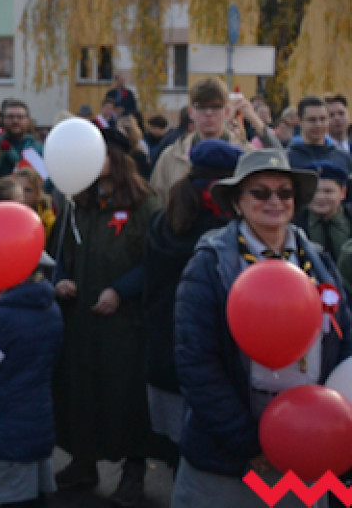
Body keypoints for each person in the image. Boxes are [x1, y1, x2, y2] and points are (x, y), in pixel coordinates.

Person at [172, 149, 352, 507]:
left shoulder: (316, 260)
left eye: (284, 192)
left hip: (303, 450)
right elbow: (196, 362)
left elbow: (345, 338)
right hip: (230, 460)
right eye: (260, 192)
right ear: (238, 203)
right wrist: (249, 441)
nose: (275, 201)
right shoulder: (210, 264)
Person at [52, 127, 160, 507]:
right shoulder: (74, 203)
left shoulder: (145, 204)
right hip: (80, 320)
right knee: (80, 390)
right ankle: (84, 462)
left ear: (115, 157)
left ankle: (133, 470)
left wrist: (121, 290)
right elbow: (56, 256)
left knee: (126, 396)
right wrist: (61, 280)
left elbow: (153, 262)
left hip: (125, 323)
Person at [143, 140, 243, 450]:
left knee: (177, 445)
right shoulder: (223, 233)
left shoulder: (164, 219)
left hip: (164, 345)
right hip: (212, 356)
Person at [0, 261, 63, 508]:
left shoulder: (3, 317)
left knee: (9, 498)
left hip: (4, 428)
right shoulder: (51, 308)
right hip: (37, 419)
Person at [295, 161, 351, 264]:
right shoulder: (294, 223)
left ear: (343, 192)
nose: (320, 197)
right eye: (314, 191)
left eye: (328, 191)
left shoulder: (348, 218)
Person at [287, 96, 352, 174]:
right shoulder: (289, 158)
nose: (318, 125)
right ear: (300, 121)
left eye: (323, 119)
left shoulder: (342, 158)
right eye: (312, 120)